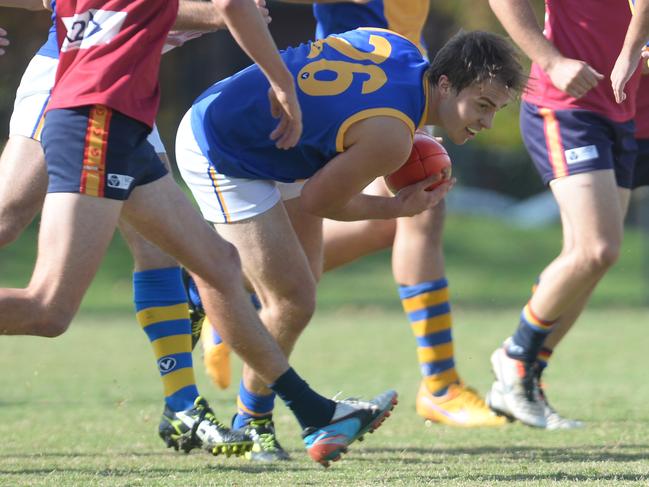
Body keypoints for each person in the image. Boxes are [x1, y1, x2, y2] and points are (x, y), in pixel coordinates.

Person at [1, 0, 396, 468]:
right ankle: (290, 410)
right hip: (91, 107)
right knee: (47, 307)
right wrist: (273, 70)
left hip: (122, 109)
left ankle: (299, 412)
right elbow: (227, 7)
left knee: (217, 265)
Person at [176, 28, 524, 461]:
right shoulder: (393, 138)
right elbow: (320, 201)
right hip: (223, 143)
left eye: (498, 110)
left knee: (301, 285)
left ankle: (249, 402)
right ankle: (242, 392)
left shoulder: (400, 45)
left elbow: (334, 57)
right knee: (293, 300)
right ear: (447, 83)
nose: (487, 122)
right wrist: (397, 208)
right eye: (483, 105)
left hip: (258, 121)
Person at [0, 0, 267, 458]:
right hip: (73, 76)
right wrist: (222, 14)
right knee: (6, 220)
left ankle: (183, 405)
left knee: (157, 248)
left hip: (127, 86)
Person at [486, 0, 641, 428]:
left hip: (622, 110)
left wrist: (637, 48)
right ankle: (515, 355)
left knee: (590, 260)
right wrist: (550, 61)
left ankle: (522, 379)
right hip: (566, 105)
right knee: (597, 249)